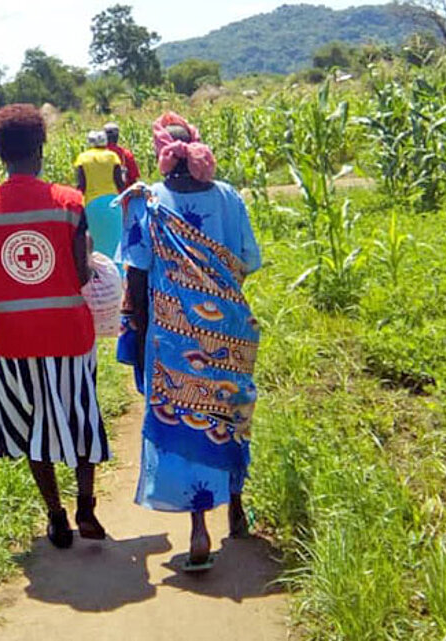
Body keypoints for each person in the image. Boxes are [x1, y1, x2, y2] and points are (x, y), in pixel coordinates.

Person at [117, 112, 262, 570]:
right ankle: (236, 509)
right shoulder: (229, 197)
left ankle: (199, 530)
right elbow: (249, 259)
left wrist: (138, 335)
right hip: (229, 327)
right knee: (229, 410)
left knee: (185, 419)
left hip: (173, 334)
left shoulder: (146, 203)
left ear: (161, 157)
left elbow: (136, 277)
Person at [0, 104, 110, 549]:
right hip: (67, 332)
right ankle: (86, 504)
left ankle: (56, 518)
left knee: (32, 426)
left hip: (11, 338)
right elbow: (82, 275)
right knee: (81, 417)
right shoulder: (69, 203)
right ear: (42, 147)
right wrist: (85, 249)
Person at [75, 130, 126, 262]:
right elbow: (120, 183)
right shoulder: (112, 156)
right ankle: (118, 277)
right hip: (113, 203)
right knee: (115, 244)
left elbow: (81, 185)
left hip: (91, 204)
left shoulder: (82, 158)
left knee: (96, 245)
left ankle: (99, 278)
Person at [104, 122, 140, 188]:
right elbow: (133, 177)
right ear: (117, 136)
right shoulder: (126, 154)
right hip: (123, 194)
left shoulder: (97, 154)